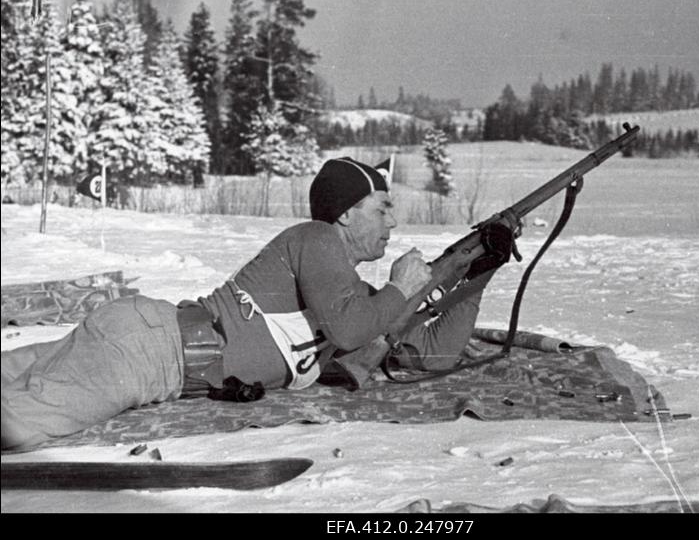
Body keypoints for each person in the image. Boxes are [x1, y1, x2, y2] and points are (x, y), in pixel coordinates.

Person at [1, 157, 518, 451]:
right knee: (18, 424)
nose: (393, 222)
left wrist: (478, 271)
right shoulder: (316, 239)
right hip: (150, 352)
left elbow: (435, 353)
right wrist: (404, 288)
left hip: (149, 341)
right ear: (345, 213)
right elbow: (350, 329)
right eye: (382, 208)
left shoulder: (354, 293)